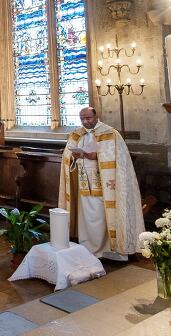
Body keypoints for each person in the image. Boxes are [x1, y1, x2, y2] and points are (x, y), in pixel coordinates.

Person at [59, 107, 144, 259]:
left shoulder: (111, 134)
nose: (86, 121)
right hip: (84, 184)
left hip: (105, 185)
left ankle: (109, 250)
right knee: (86, 217)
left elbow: (120, 158)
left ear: (96, 116)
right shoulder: (76, 134)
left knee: (103, 215)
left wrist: (96, 156)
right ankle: (86, 248)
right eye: (82, 119)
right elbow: (67, 157)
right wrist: (74, 156)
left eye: (88, 118)